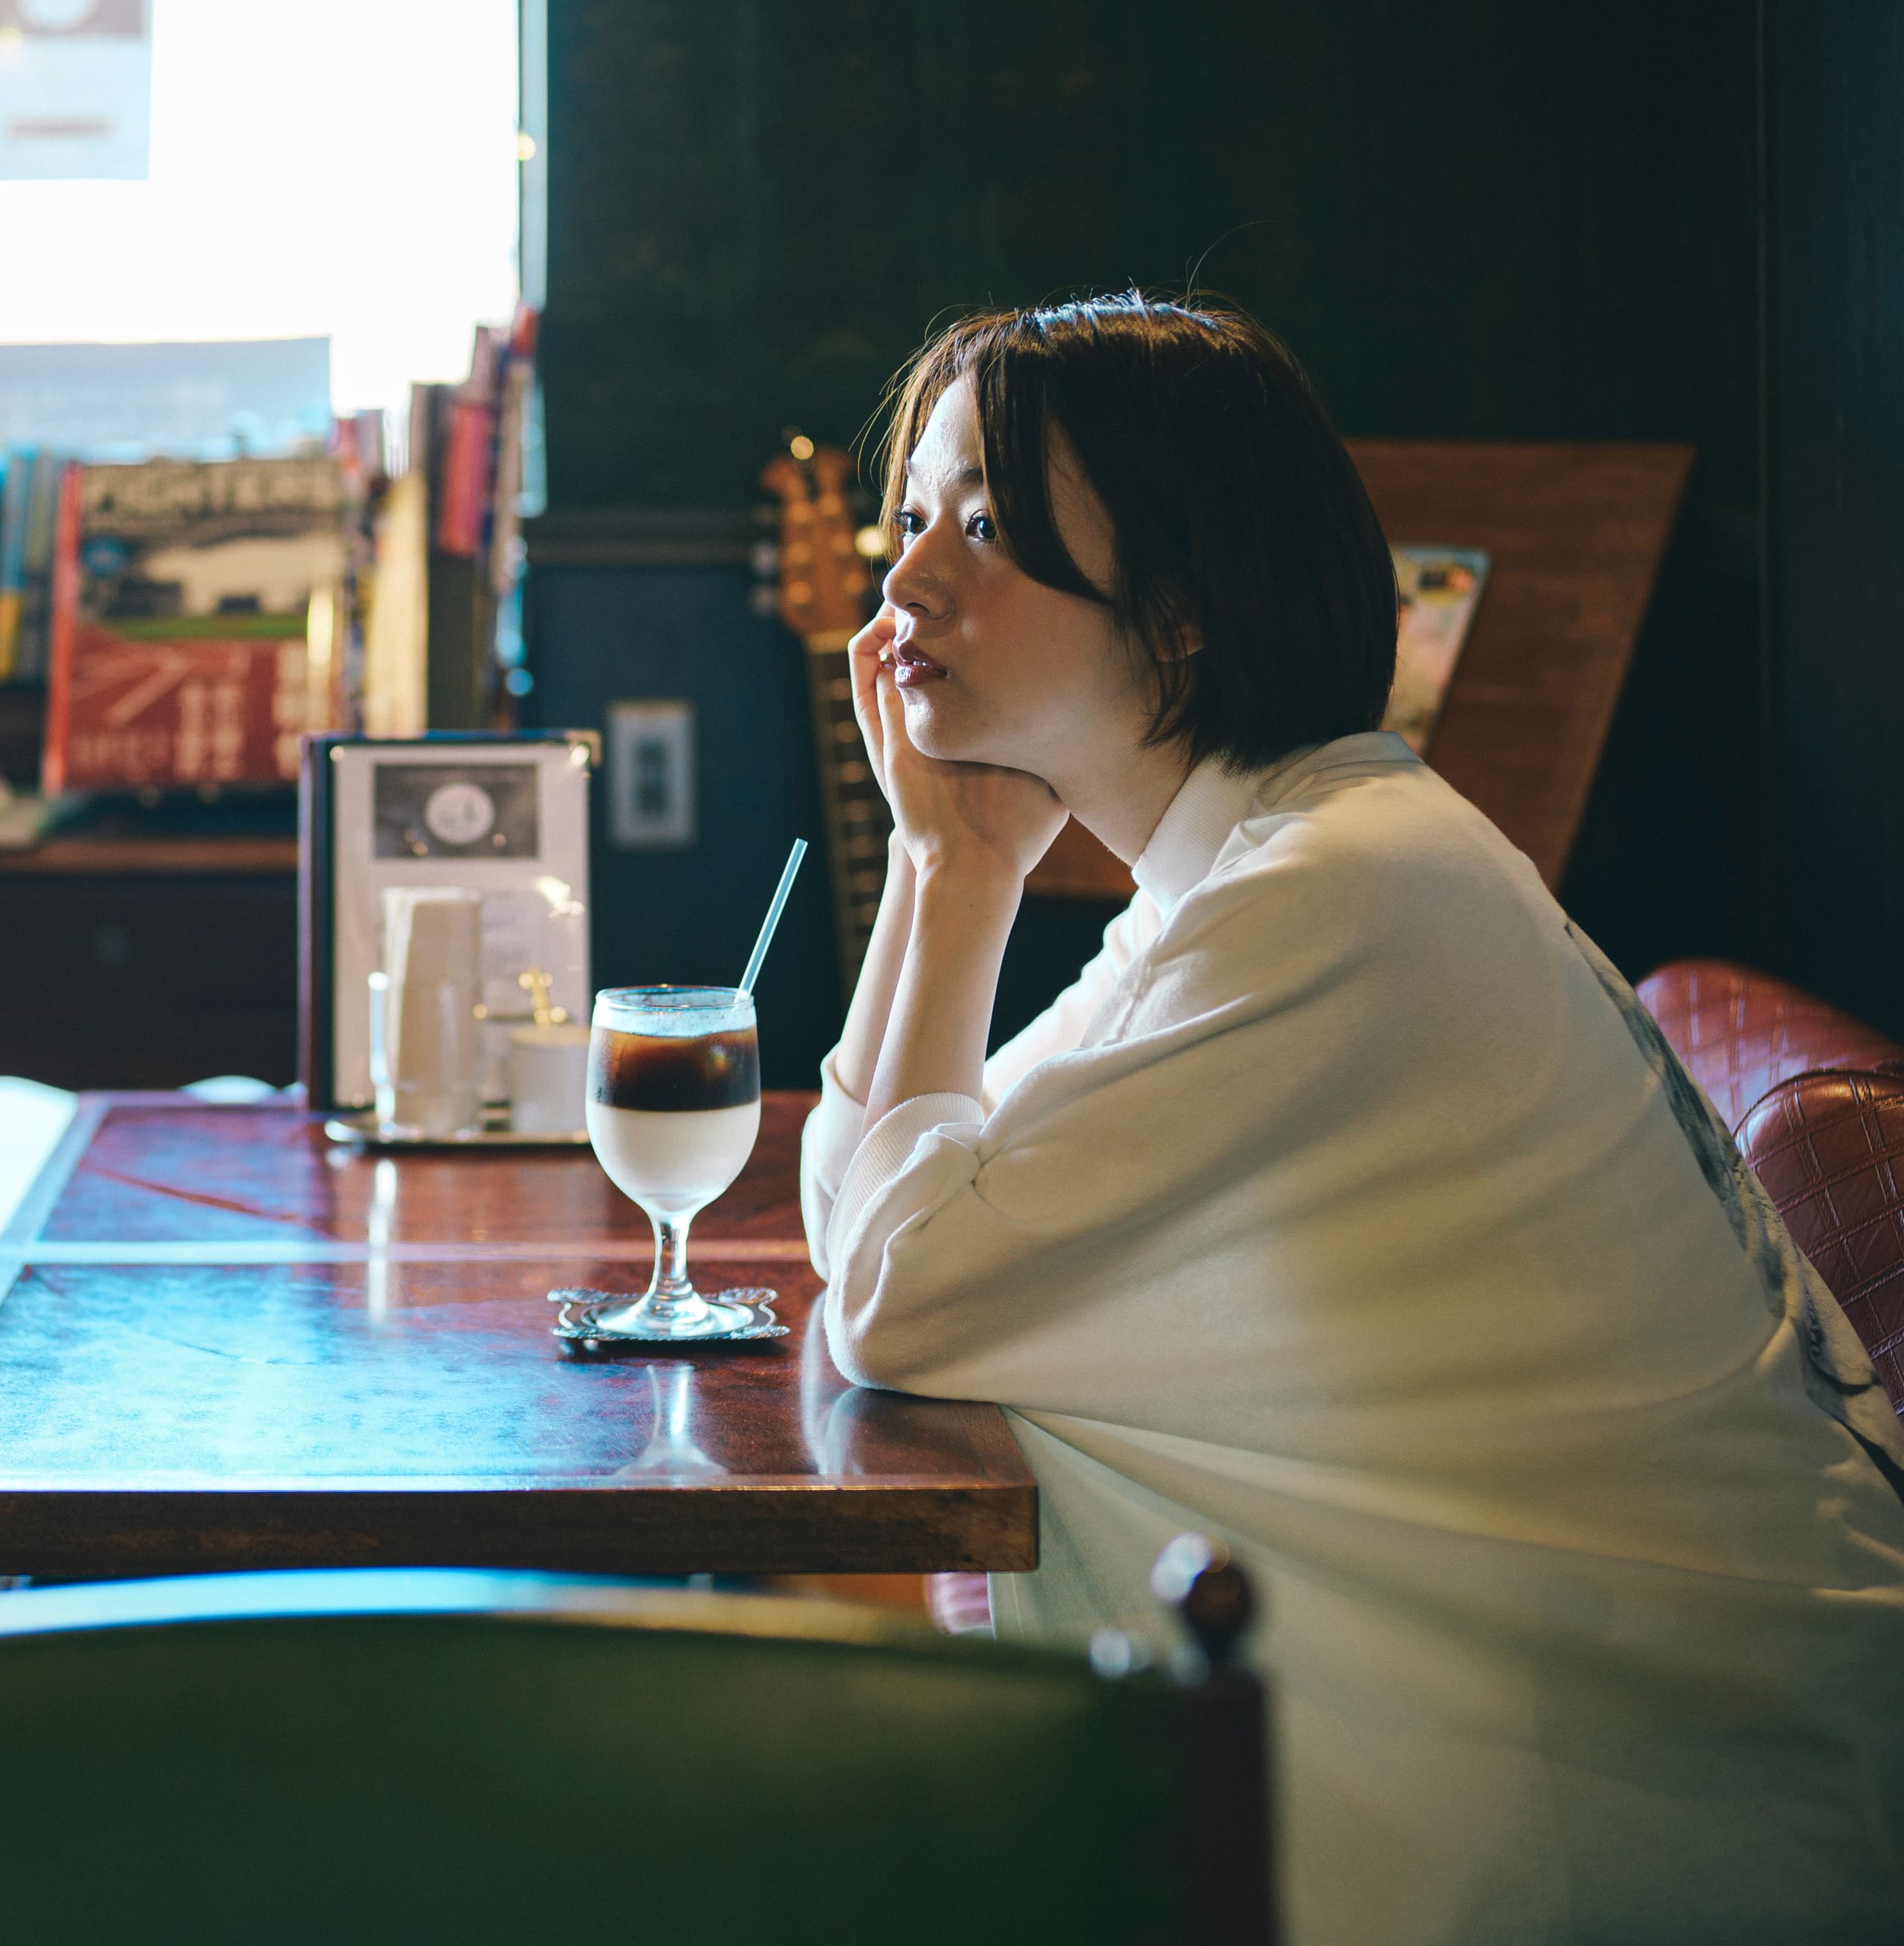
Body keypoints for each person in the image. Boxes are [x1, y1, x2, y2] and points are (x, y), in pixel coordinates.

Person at [804, 291, 1904, 1945]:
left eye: (986, 529)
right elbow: (872, 1219)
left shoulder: (1329, 889)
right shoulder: (1252, 859)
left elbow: (896, 1292)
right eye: (909, 523)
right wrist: (936, 859)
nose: (904, 589)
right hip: (1603, 1726)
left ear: (1179, 608)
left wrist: (960, 874)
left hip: (1686, 1790)